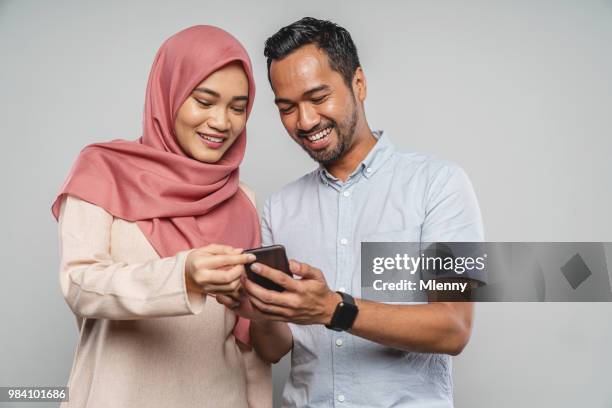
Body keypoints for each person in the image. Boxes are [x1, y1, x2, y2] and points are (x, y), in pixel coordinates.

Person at [217, 17, 485, 407]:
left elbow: (453, 327)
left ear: (358, 83)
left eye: (318, 97)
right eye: (287, 107)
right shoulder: (280, 207)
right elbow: (274, 350)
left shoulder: (439, 185)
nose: (304, 121)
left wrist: (334, 309)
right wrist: (259, 310)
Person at [51, 25, 271, 408]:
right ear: (168, 93)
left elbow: (250, 348)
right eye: (204, 101)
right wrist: (182, 275)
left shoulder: (244, 200)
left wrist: (268, 305)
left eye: (238, 108)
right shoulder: (104, 170)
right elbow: (80, 285)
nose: (222, 122)